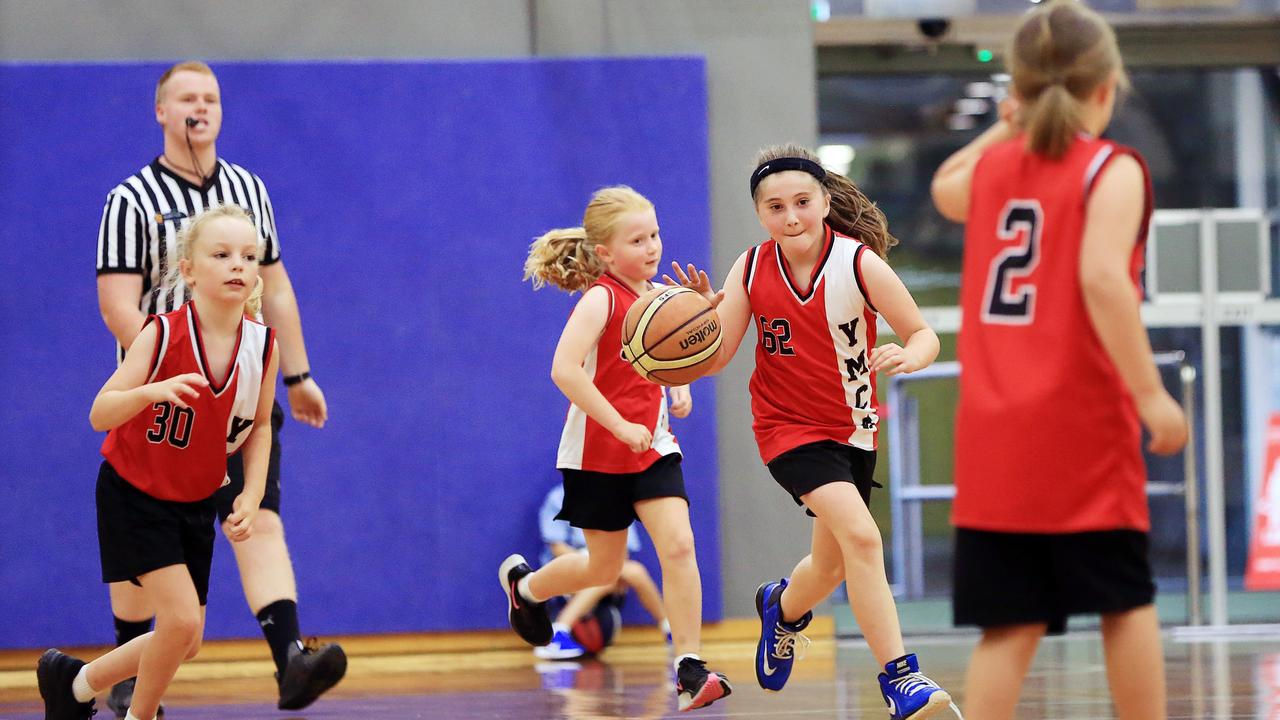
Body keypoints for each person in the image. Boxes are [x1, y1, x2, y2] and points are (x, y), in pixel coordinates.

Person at [929, 3, 1189, 719]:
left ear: (1022, 86)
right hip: (1081, 427)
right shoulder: (1112, 167)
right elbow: (1104, 280)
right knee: (1124, 604)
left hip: (995, 435)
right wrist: (1150, 395)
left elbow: (943, 183)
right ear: (1107, 87)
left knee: (1010, 624)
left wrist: (1006, 123)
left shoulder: (992, 170)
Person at [672, 144, 958, 720]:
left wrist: (910, 354)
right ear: (760, 214)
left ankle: (781, 607)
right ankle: (901, 679)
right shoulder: (750, 268)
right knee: (864, 538)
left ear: (825, 202)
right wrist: (697, 329)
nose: (792, 216)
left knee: (829, 567)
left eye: (802, 202)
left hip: (854, 429)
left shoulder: (859, 264)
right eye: (776, 207)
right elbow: (720, 355)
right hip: (786, 428)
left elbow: (924, 332)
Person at [94, 60, 344, 715]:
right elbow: (118, 302)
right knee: (144, 563)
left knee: (257, 517)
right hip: (166, 394)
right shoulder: (131, 201)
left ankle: (290, 659)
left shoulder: (249, 190)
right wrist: (164, 361)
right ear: (162, 112)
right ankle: (123, 667)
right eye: (186, 98)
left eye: (210, 97)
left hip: (242, 386)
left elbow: (279, 287)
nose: (199, 107)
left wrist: (298, 372)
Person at [39, 206, 279, 720]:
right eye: (221, 254)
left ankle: (75, 684)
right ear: (188, 270)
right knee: (178, 622)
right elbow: (99, 413)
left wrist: (252, 492)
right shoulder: (162, 333)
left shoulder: (262, 344)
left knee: (185, 639)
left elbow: (260, 425)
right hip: (134, 494)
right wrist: (154, 390)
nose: (237, 264)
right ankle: (138, 716)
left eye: (248, 256)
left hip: (193, 503)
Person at [498, 186, 732, 712]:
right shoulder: (600, 298)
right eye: (637, 239)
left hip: (654, 448)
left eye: (655, 235)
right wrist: (620, 424)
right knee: (602, 570)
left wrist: (682, 381)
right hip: (596, 453)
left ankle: (689, 666)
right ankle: (527, 588)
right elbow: (563, 370)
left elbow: (665, 362)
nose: (652, 247)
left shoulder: (662, 298)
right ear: (605, 252)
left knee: (678, 547)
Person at [534, 483, 671, 660]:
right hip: (569, 572)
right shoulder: (557, 498)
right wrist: (590, 561)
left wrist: (606, 563)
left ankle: (668, 628)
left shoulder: (617, 500)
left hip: (607, 568)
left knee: (635, 571)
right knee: (604, 576)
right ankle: (558, 632)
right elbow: (557, 548)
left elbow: (624, 551)